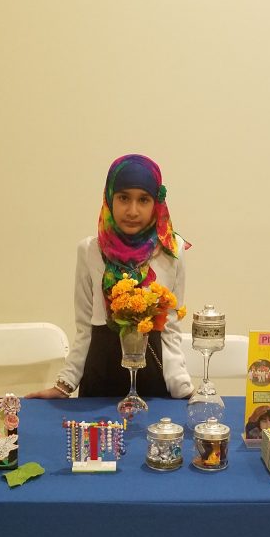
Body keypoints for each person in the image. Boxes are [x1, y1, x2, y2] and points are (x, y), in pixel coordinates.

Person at [27, 154, 192, 399]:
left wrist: (184, 389)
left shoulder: (171, 250)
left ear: (156, 203)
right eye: (123, 198)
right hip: (100, 374)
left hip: (153, 379)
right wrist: (65, 384)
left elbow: (170, 329)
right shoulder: (90, 250)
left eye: (143, 200)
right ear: (109, 197)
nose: (132, 211)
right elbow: (85, 329)